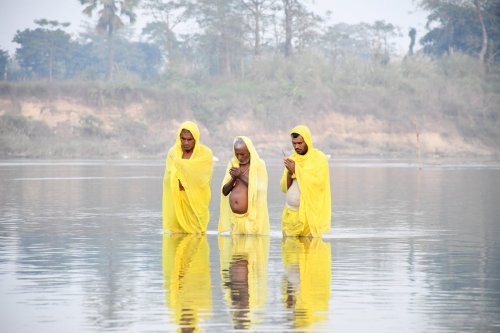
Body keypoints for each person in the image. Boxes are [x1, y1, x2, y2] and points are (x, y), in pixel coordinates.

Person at [162, 121, 213, 234]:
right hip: (176, 201)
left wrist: (184, 168)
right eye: (183, 138)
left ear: (196, 138)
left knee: (197, 235)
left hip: (195, 203)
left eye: (189, 139)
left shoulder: (205, 154)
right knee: (176, 235)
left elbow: (203, 179)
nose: (186, 142)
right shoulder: (173, 153)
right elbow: (168, 178)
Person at [281, 125, 331, 237]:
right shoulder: (292, 158)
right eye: (294, 143)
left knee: (310, 251)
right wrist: (289, 173)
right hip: (292, 216)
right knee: (290, 252)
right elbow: (285, 188)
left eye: (300, 143)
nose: (296, 146)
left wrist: (297, 170)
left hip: (310, 216)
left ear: (307, 141)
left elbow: (319, 183)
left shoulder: (319, 158)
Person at [219, 136, 269, 235]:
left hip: (251, 221)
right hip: (234, 221)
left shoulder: (259, 165)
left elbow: (259, 188)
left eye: (243, 154)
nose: (240, 157)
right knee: (235, 250)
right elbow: (224, 191)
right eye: (237, 154)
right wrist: (233, 178)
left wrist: (240, 176)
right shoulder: (233, 164)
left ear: (249, 151)